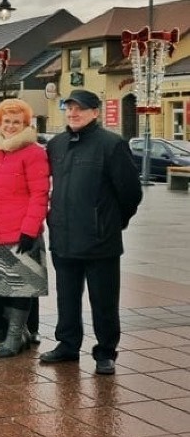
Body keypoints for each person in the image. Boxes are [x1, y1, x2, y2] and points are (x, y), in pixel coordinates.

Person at [40, 89, 142, 375]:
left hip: (100, 242)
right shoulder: (57, 145)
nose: (73, 113)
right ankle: (68, 345)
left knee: (104, 301)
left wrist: (112, 222)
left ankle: (106, 351)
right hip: (63, 237)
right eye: (69, 108)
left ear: (95, 112)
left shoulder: (111, 144)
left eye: (80, 109)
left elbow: (131, 192)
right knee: (67, 297)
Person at [0, 99, 49, 358]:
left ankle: (15, 335)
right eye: (6, 121)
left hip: (21, 230)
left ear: (26, 124)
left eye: (16, 122)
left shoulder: (34, 152)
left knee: (22, 286)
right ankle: (19, 332)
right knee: (2, 285)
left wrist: (30, 229)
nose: (10, 126)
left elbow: (40, 193)